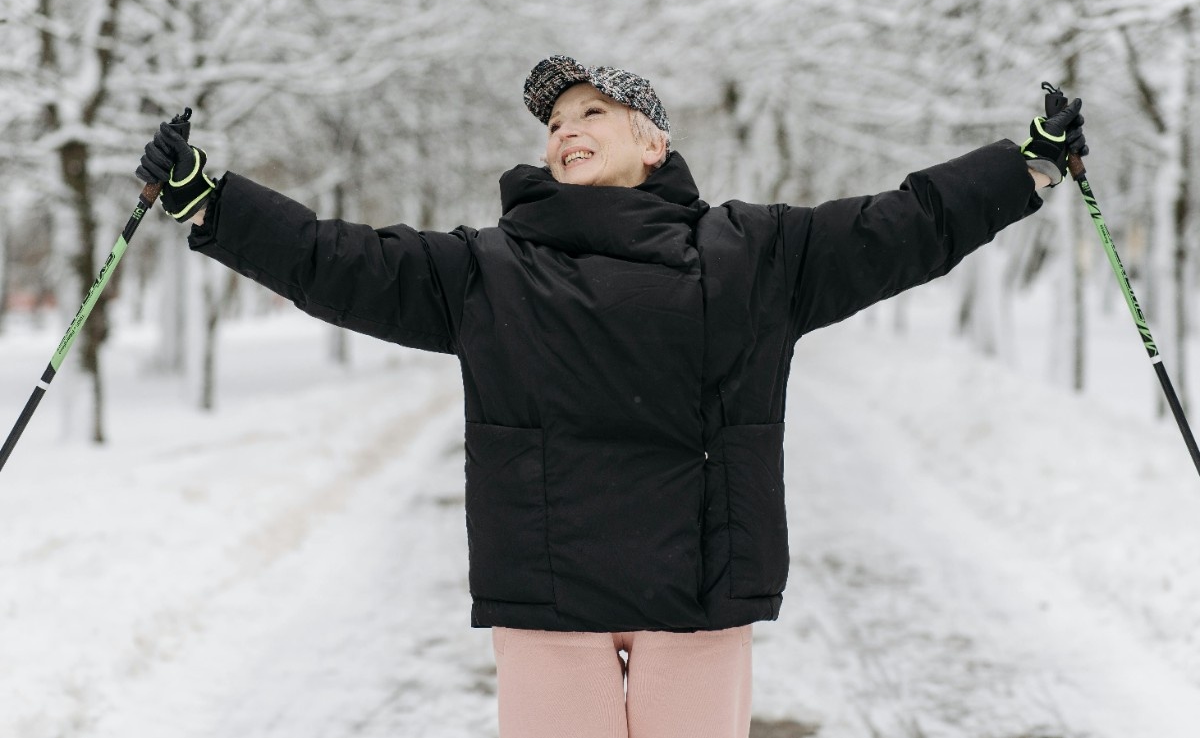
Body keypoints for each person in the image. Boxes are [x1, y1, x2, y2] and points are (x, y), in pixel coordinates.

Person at [136, 55, 1086, 738]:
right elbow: (331, 260)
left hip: (699, 595)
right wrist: (209, 201)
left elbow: (903, 225)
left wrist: (1026, 166)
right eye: (555, 125)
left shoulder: (755, 253)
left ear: (653, 138)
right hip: (552, 601)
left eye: (591, 113)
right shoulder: (485, 268)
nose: (566, 131)